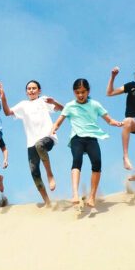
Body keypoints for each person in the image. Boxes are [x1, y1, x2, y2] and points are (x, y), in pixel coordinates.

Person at [51, 78, 122, 209]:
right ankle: (75, 194)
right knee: (77, 160)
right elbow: (59, 120)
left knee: (97, 162)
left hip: (91, 138)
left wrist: (116, 123)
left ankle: (92, 196)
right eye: (77, 92)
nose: (81, 95)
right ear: (74, 92)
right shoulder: (70, 106)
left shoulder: (95, 104)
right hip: (76, 138)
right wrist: (54, 128)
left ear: (88, 91)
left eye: (83, 92)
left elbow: (109, 120)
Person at [0, 80, 64, 206]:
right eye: (29, 89)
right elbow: (7, 112)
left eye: (34, 88)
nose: (31, 90)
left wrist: (54, 102)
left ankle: (50, 175)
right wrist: (3, 96)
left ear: (39, 90)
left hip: (47, 137)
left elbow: (64, 109)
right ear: (26, 91)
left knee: (40, 145)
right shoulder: (23, 105)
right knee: (34, 171)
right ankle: (47, 201)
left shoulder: (43, 100)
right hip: (31, 143)